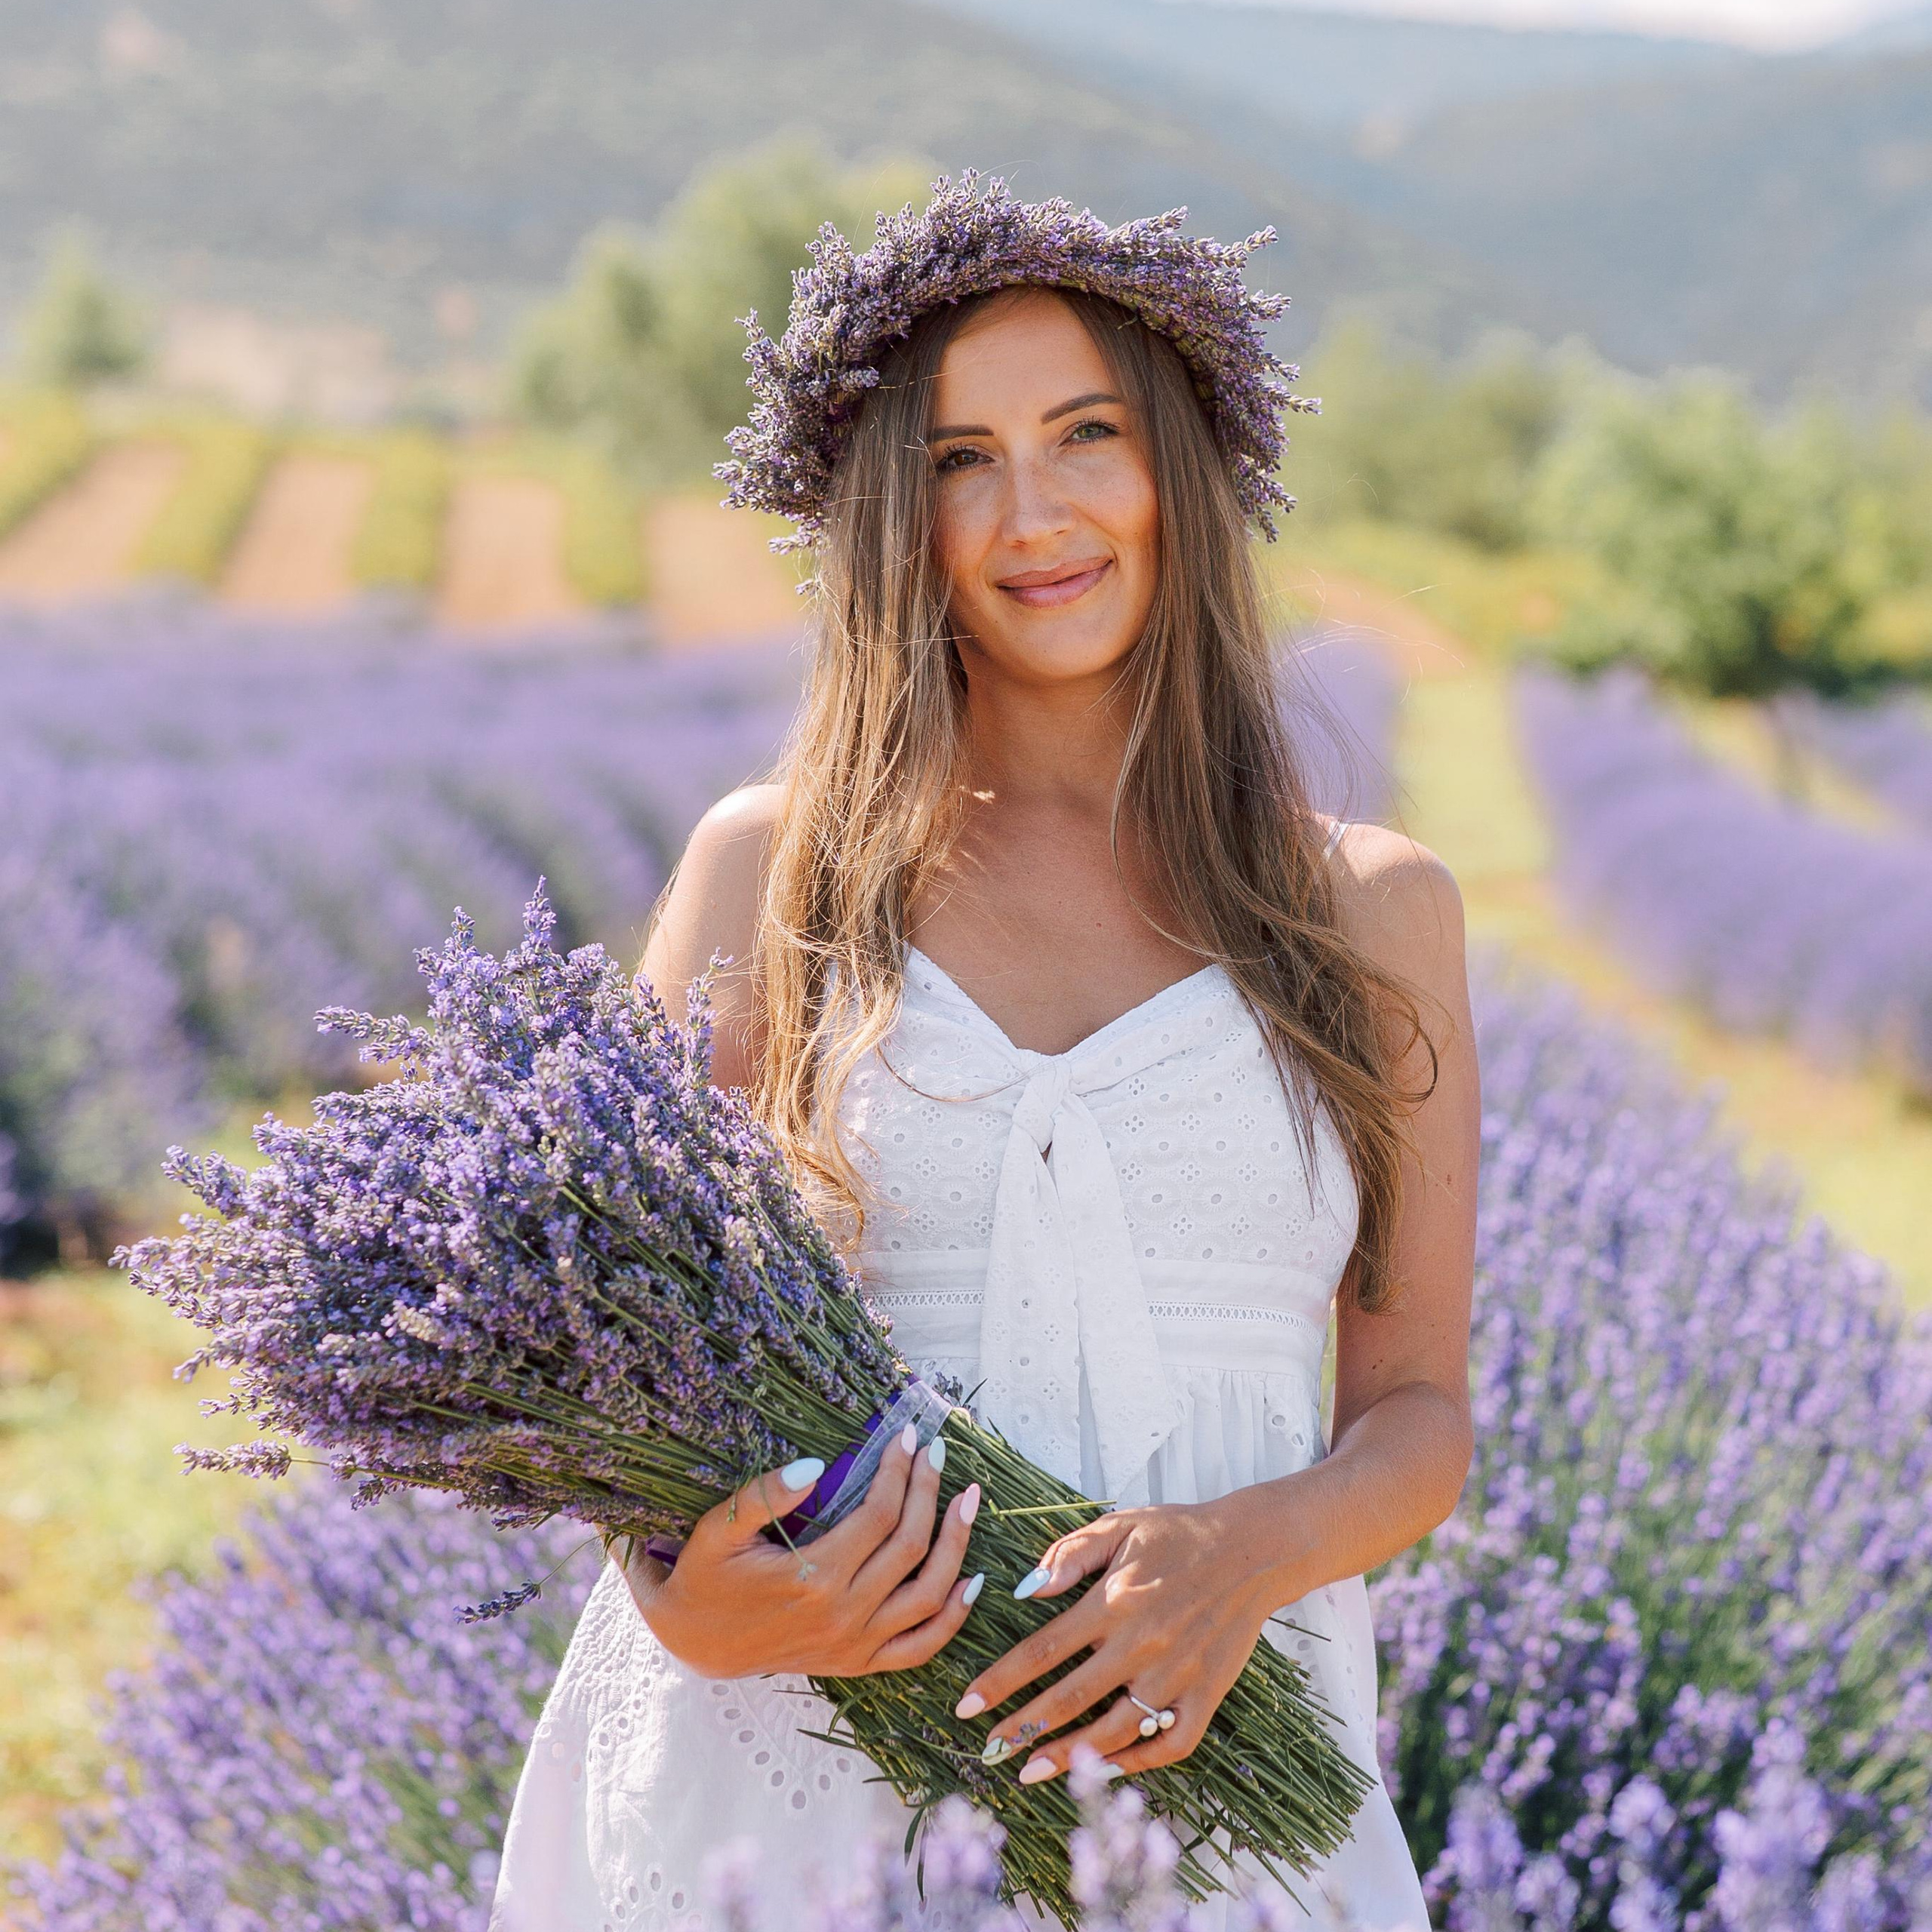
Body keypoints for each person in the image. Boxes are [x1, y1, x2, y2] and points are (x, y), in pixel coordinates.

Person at [491, 177, 1476, 1932]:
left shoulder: (1367, 910)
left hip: (1204, 1781)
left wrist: (1240, 1554)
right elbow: (606, 1337)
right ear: (898, 517)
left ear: (1176, 465)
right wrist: (678, 1597)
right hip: (783, 1776)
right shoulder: (771, 873)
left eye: (1085, 434)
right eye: (960, 459)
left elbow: (1413, 1411)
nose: (1035, 512)